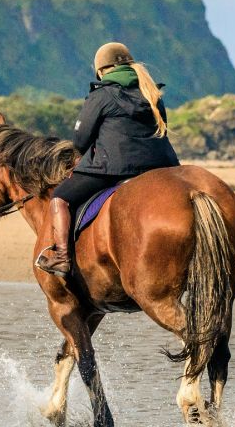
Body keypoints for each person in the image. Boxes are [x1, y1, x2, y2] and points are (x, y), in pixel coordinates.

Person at [37, 40, 179, 276]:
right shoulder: (152, 93)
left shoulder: (102, 95)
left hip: (114, 168)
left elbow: (81, 139)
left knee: (60, 198)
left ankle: (62, 258)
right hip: (162, 167)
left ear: (102, 70)